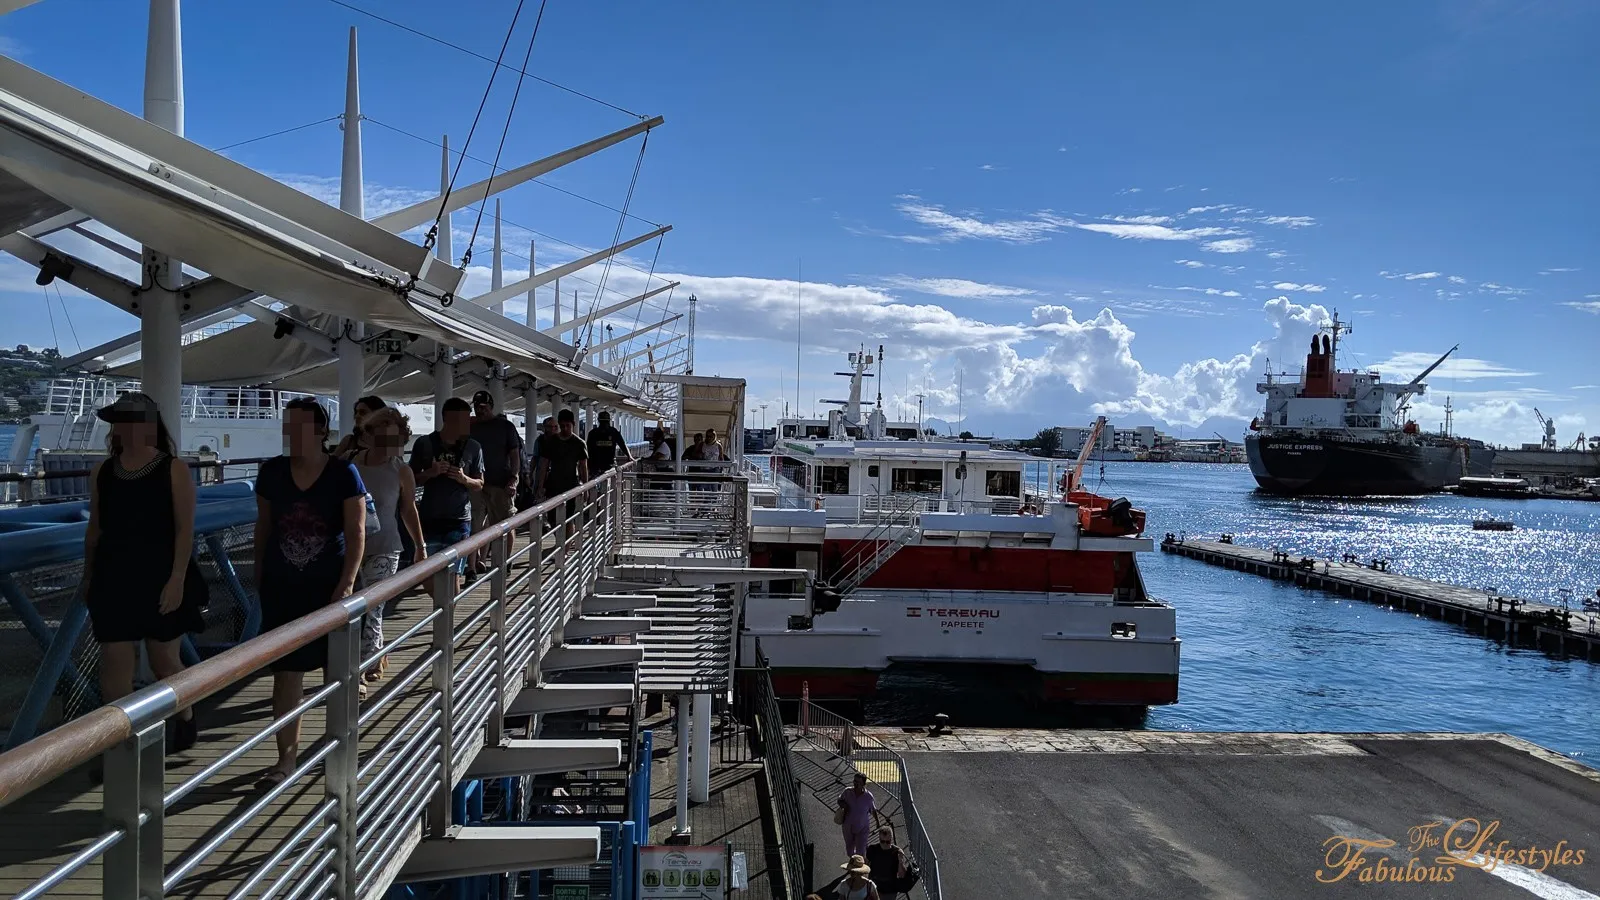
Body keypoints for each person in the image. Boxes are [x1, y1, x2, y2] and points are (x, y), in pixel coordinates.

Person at [84, 392, 206, 754]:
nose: (122, 429)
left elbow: (184, 530)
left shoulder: (173, 469)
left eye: (129, 421)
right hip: (114, 575)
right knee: (114, 665)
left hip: (160, 574)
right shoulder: (104, 471)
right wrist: (88, 576)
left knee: (163, 661)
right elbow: (95, 528)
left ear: (147, 426)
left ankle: (185, 717)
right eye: (119, 422)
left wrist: (177, 579)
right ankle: (122, 749)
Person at [253, 398, 366, 789]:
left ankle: (341, 749)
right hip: (283, 588)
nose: (293, 433)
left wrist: (347, 584)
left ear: (321, 431)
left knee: (338, 673)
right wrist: (259, 572)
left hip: (330, 588)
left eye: (300, 426)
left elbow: (356, 533)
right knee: (286, 675)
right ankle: (286, 760)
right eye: (289, 425)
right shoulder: (271, 472)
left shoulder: (343, 474)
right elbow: (264, 526)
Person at [352, 407, 425, 691]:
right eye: (380, 438)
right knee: (352, 609)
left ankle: (359, 672)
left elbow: (408, 510)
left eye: (393, 440)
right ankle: (377, 655)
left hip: (385, 546)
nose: (386, 446)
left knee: (371, 608)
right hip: (351, 548)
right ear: (368, 436)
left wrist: (419, 546)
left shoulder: (401, 471)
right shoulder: (350, 464)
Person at [409, 397, 484, 604]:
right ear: (447, 420)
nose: (466, 425)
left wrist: (463, 479)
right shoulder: (424, 444)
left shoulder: (473, 447)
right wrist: (430, 473)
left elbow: (479, 483)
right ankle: (445, 607)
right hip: (430, 519)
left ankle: (446, 615)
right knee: (426, 574)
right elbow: (410, 479)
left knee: (453, 574)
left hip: (459, 520)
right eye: (461, 420)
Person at [468, 390, 523, 571]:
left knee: (505, 523)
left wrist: (514, 479)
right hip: (476, 483)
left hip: (501, 483)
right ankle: (476, 563)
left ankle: (505, 560)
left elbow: (515, 455)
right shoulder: (471, 427)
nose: (480, 410)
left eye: (483, 407)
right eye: (477, 407)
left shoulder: (505, 426)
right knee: (476, 524)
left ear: (491, 407)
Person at [535, 408, 589, 530]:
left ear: (573, 424)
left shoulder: (579, 443)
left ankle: (566, 542)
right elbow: (544, 465)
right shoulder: (551, 441)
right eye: (562, 426)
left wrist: (586, 488)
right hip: (553, 485)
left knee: (568, 518)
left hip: (571, 485)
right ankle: (561, 539)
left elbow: (583, 467)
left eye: (568, 426)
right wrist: (540, 486)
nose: (565, 429)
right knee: (552, 518)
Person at [838, 772, 884, 858]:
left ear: (863, 784)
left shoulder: (868, 796)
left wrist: (877, 822)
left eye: (858, 782)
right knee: (850, 851)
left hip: (862, 828)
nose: (855, 783)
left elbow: (873, 810)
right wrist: (843, 805)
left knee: (860, 852)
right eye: (854, 781)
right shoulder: (847, 791)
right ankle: (854, 861)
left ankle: (860, 863)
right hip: (848, 827)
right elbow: (839, 800)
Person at [333, 395, 386, 460]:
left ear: (377, 415)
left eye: (362, 412)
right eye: (356, 412)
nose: (357, 416)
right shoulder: (349, 441)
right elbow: (332, 463)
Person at [864, 826, 909, 899]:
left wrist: (900, 861)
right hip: (875, 888)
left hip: (890, 890)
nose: (885, 844)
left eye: (888, 842)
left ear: (891, 839)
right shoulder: (872, 849)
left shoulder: (896, 852)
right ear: (879, 839)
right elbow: (866, 866)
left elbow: (902, 875)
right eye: (882, 841)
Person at [586, 409, 632, 475]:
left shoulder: (593, 433)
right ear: (609, 421)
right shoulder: (613, 432)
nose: (604, 425)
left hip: (595, 467)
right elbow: (622, 445)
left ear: (598, 420)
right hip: (608, 466)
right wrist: (629, 456)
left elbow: (588, 450)